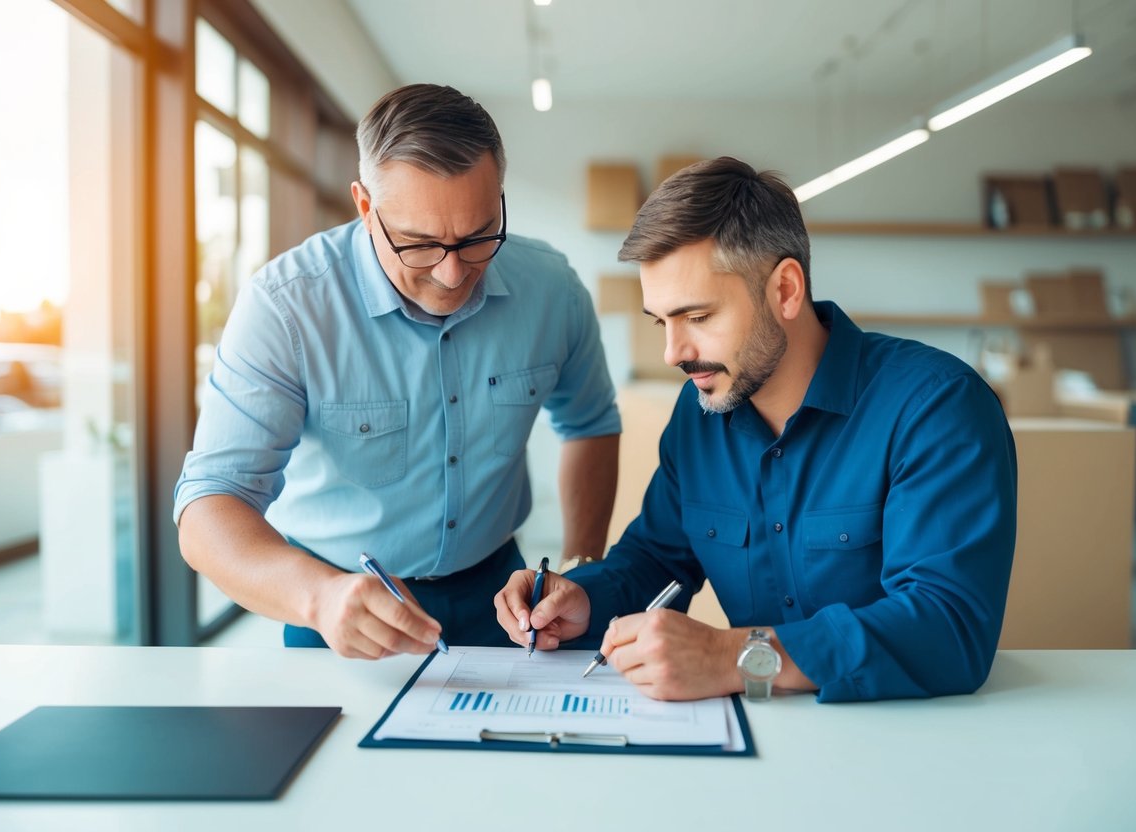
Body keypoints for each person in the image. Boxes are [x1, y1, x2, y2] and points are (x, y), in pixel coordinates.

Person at [494, 157, 1017, 703]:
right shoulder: (699, 414)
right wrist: (582, 599)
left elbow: (947, 626)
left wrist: (734, 656)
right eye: (661, 322)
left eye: (697, 318)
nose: (674, 353)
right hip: (753, 744)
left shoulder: (937, 408)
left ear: (786, 290)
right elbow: (656, 559)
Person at [175, 84, 620, 659]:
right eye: (419, 243)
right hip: (337, 603)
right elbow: (210, 503)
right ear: (365, 206)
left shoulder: (552, 288)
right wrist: (320, 598)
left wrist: (581, 566)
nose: (453, 272)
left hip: (505, 598)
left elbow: (589, 421)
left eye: (478, 235)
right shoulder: (285, 307)